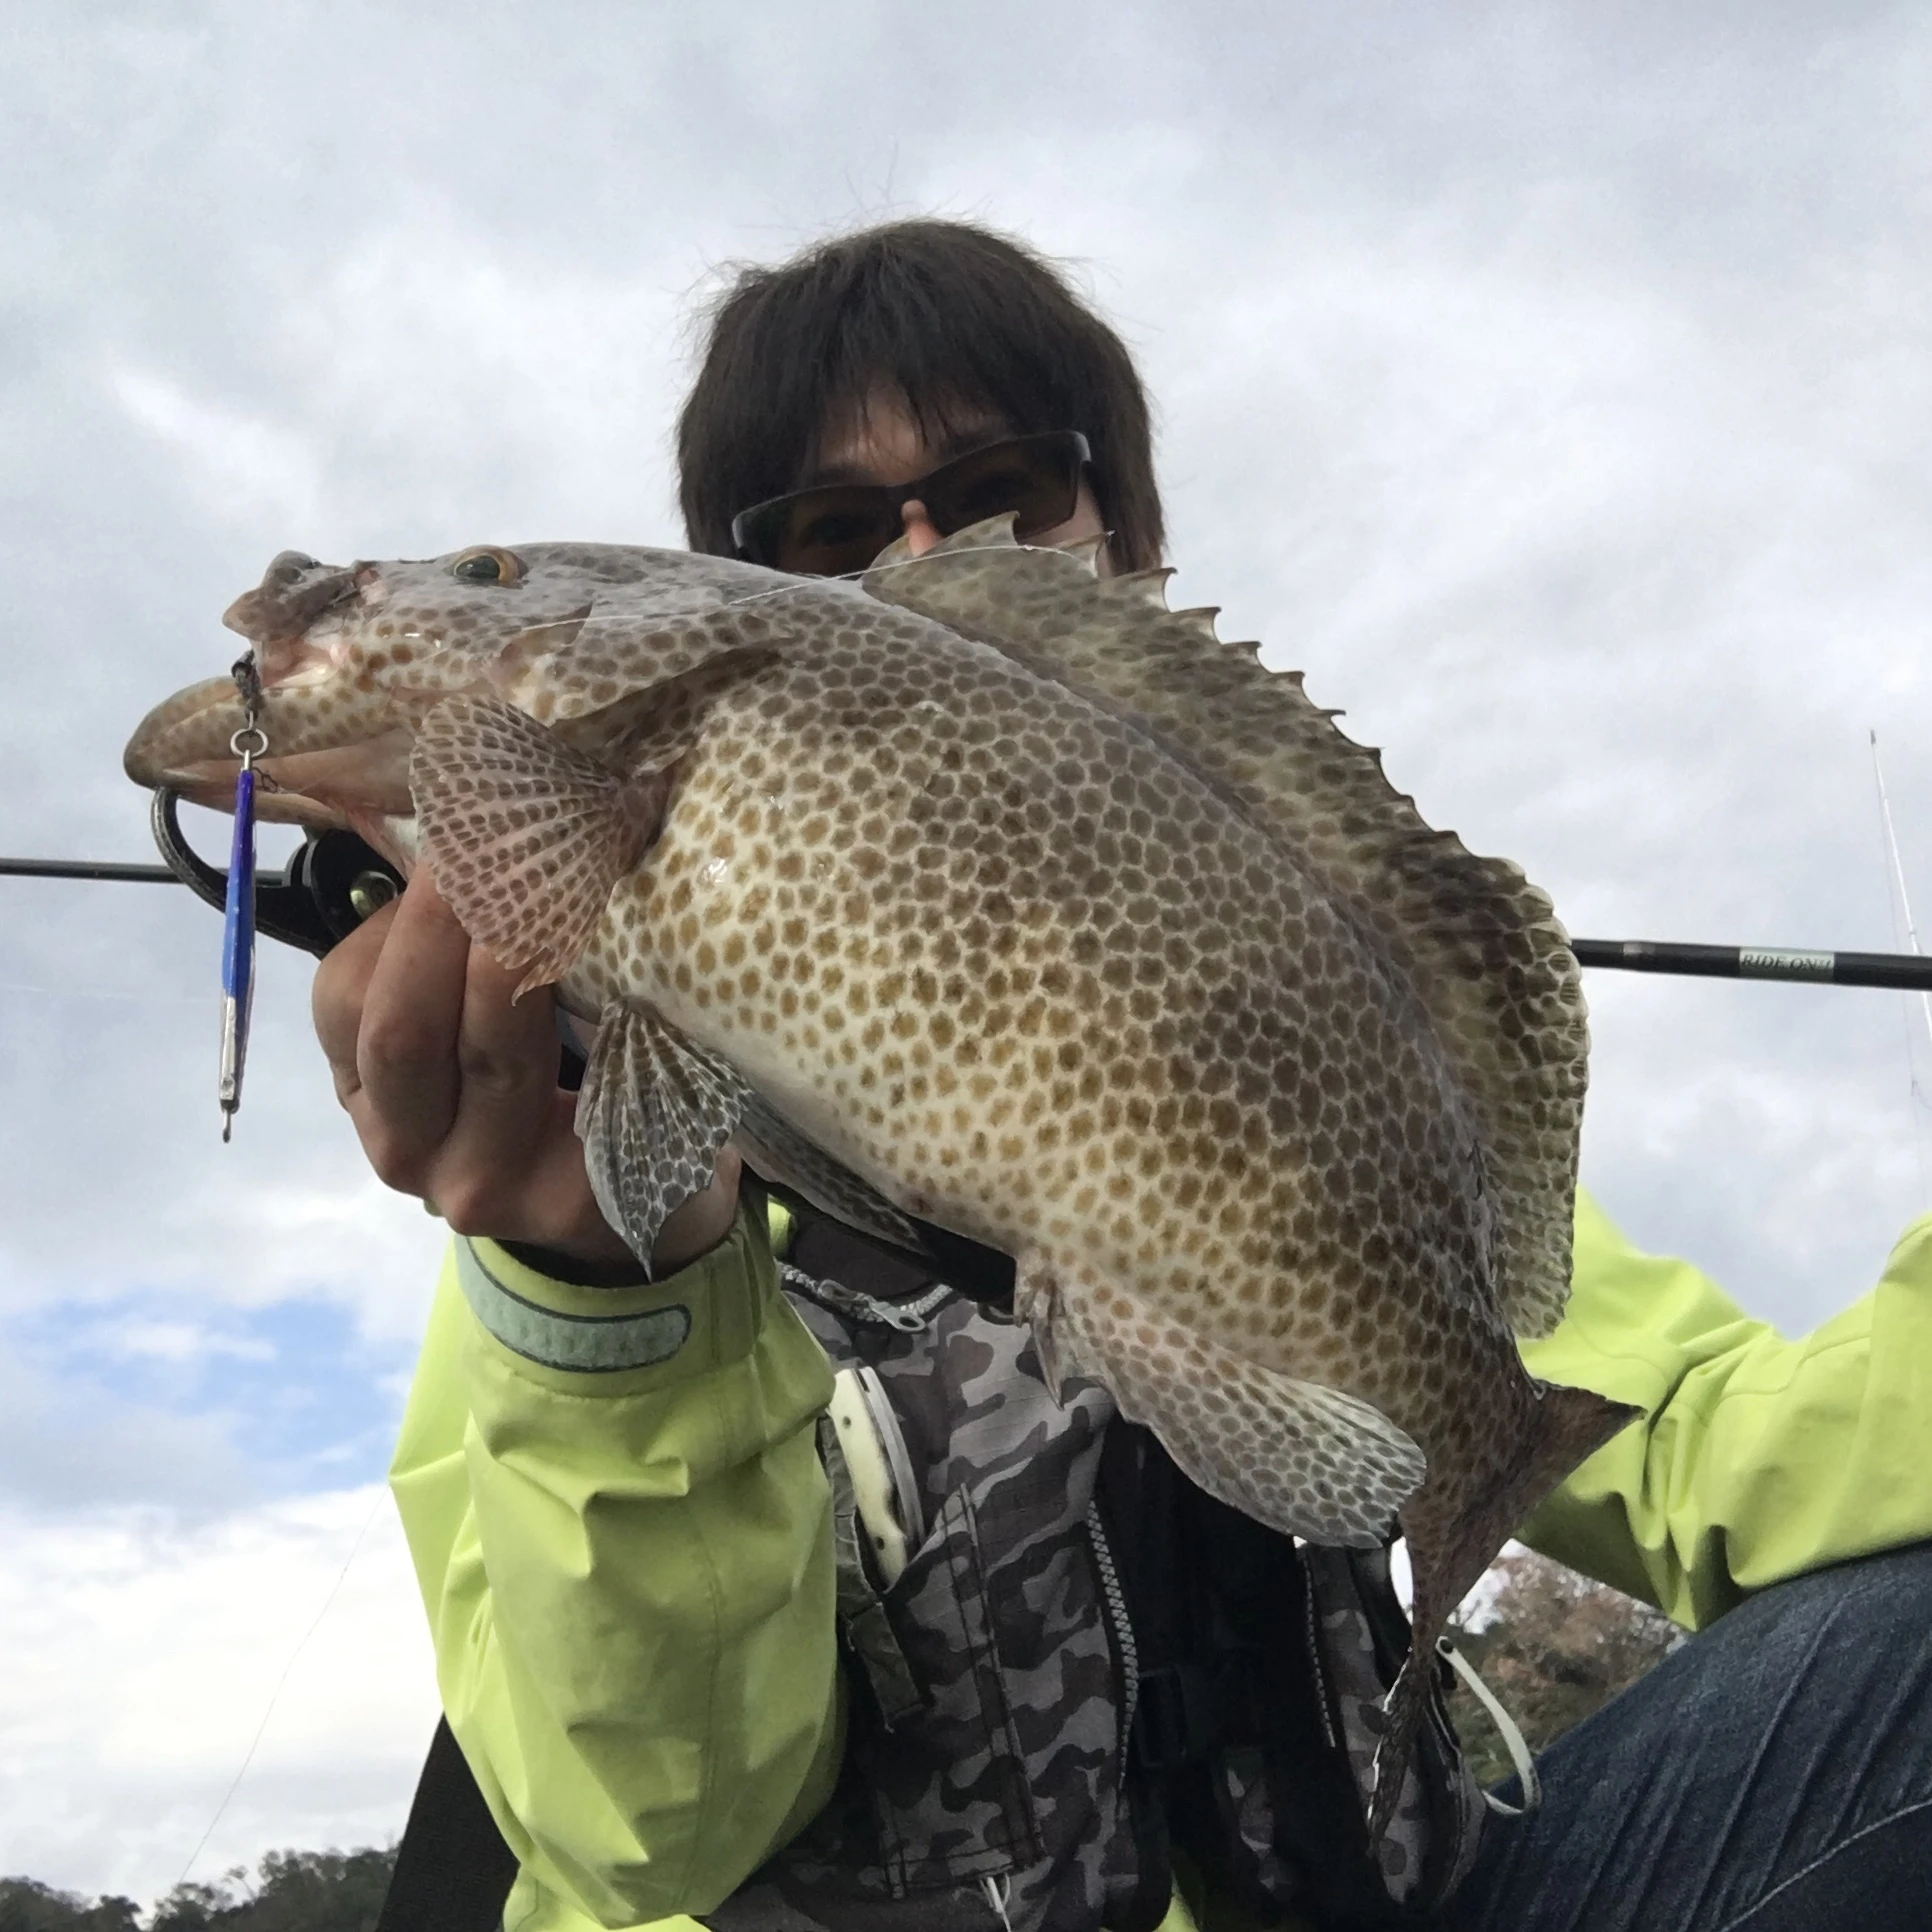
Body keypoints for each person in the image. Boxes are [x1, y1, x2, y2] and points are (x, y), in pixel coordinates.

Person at [319, 220, 1932, 1931]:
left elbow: (1725, 1448)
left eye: (1007, 489)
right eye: (831, 530)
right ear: (741, 602)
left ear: (1133, 545)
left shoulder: (1299, 1053)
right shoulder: (585, 1134)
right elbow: (649, 1836)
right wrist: (603, 1319)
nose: (929, 551)